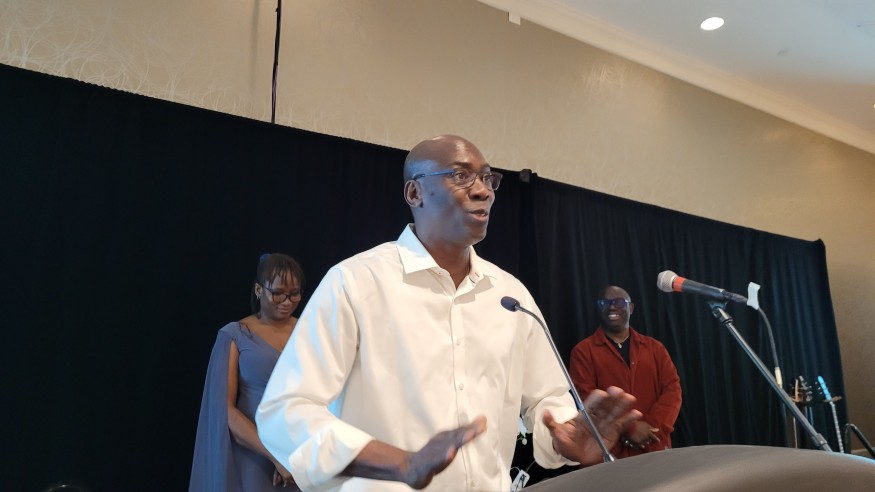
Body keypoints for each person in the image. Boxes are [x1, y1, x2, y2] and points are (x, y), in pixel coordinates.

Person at [256, 135, 641, 491]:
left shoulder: (510, 295)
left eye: (488, 178)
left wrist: (566, 436)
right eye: (460, 175)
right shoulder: (356, 283)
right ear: (415, 192)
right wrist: (400, 464)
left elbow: (546, 398)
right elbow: (285, 412)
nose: (483, 190)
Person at [190, 253, 306, 491]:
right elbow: (225, 410)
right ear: (258, 290)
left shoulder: (309, 329)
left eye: (294, 294)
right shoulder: (235, 334)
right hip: (254, 454)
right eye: (278, 293)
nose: (287, 301)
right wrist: (274, 457)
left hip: (299, 450)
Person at [569, 285, 682, 458]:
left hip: (655, 445)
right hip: (610, 453)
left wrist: (651, 427)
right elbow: (587, 398)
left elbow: (672, 391)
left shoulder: (655, 348)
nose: (612, 307)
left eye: (619, 302)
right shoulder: (583, 351)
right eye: (604, 303)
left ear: (631, 307)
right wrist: (630, 427)